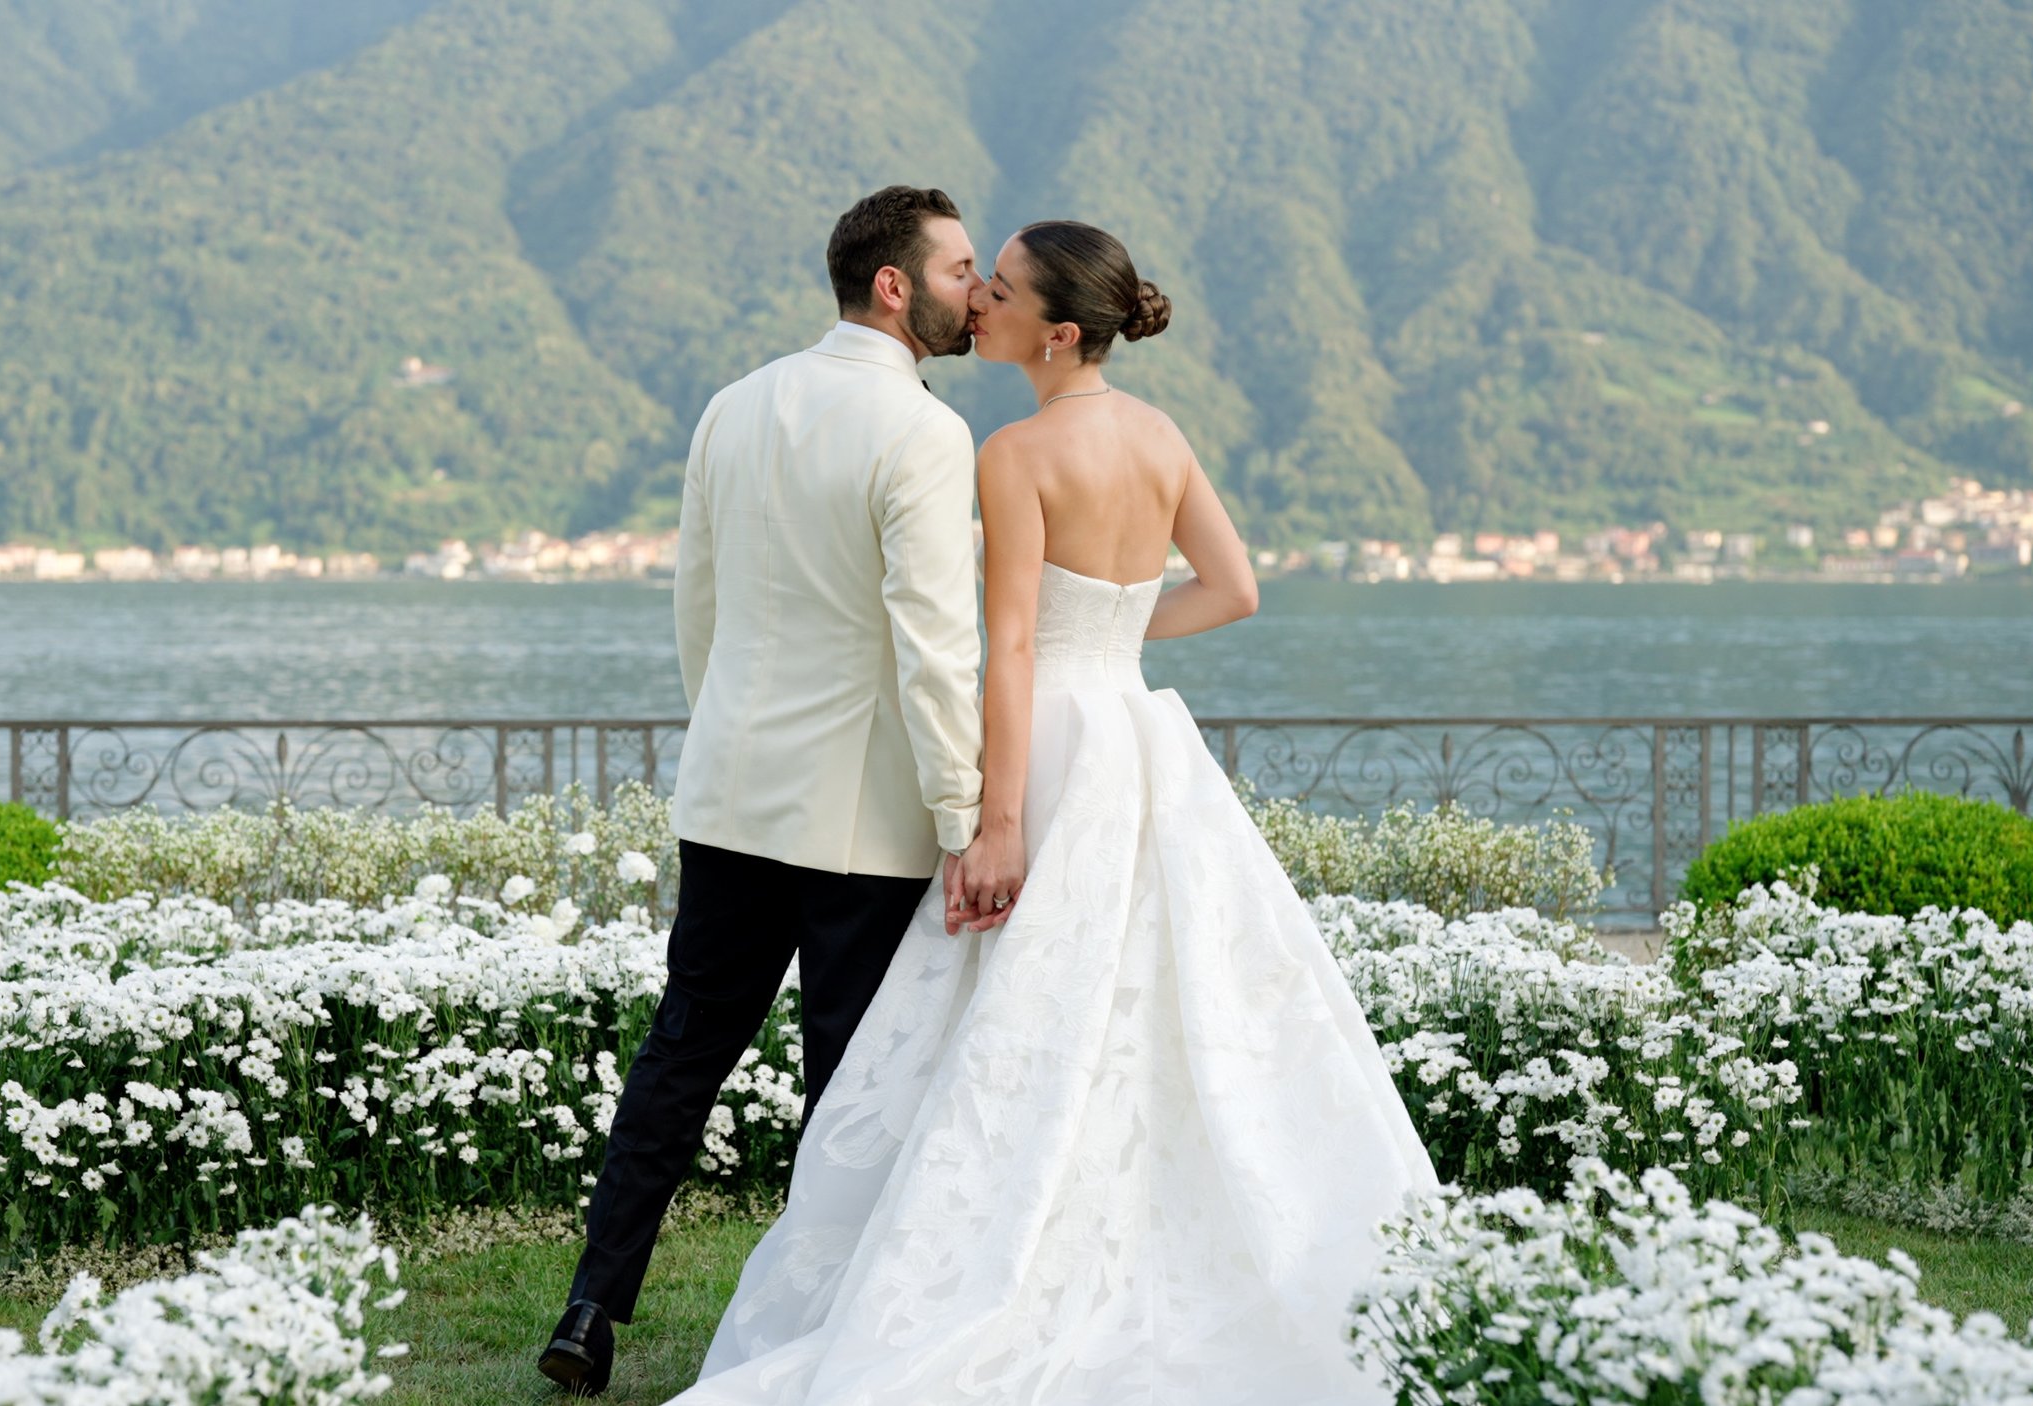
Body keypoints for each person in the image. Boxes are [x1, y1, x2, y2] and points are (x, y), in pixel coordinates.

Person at [666, 220, 1442, 1405]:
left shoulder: (1014, 454)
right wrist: (1119, 638)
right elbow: (1233, 591)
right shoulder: (1161, 436)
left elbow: (1012, 646)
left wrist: (997, 820)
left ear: (1058, 331)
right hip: (1136, 732)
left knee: (1021, 1009)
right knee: (1164, 1006)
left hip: (1056, 746)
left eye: (1004, 289)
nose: (979, 299)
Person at [538, 184, 1002, 1396]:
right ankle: (822, 1327)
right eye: (957, 269)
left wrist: (728, 732)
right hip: (864, 816)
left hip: (733, 791)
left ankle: (592, 1306)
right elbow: (934, 645)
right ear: (893, 285)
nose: (975, 290)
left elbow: (700, 608)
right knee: (846, 1080)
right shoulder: (923, 433)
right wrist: (964, 817)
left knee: (680, 1054)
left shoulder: (732, 406)